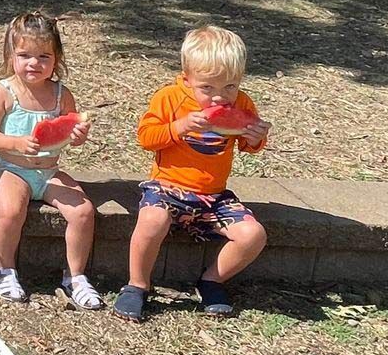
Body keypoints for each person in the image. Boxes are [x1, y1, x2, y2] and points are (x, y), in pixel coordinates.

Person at [113, 25, 270, 324]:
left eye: (230, 87)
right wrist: (180, 127)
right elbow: (146, 138)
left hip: (214, 197)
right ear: (187, 78)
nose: (219, 99)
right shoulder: (169, 98)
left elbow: (250, 147)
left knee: (253, 235)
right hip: (167, 188)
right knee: (151, 220)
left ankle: (211, 281)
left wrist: (255, 136)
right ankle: (137, 284)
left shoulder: (243, 103)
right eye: (207, 88)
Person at [0, 11, 100, 307]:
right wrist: (15, 143)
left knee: (83, 211)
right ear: (11, 56)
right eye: (25, 54)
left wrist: (77, 136)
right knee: (9, 212)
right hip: (11, 170)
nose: (34, 63)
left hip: (49, 172)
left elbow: (68, 133)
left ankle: (76, 276)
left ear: (57, 59)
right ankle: (4, 269)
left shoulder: (61, 95)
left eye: (44, 56)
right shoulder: (3, 93)